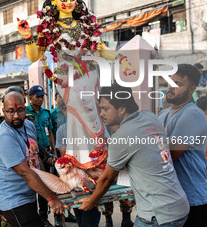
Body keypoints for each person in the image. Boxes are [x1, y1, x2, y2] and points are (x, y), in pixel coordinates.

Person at [17, 0, 135, 172]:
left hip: (89, 72)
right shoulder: (49, 28)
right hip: (67, 76)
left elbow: (100, 48)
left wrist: (121, 59)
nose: (69, 3)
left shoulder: (84, 26)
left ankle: (97, 152)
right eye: (63, 0)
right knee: (79, 104)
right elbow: (34, 56)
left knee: (92, 105)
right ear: (53, 4)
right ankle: (86, 154)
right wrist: (28, 36)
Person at [76, 83, 190, 227]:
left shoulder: (121, 137)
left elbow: (107, 179)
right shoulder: (150, 117)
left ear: (122, 108)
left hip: (158, 214)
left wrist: (91, 202)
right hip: (178, 205)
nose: (101, 114)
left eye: (105, 108)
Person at [0, 91, 69, 227]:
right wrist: (51, 198)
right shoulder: (5, 137)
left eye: (20, 110)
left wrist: (50, 184)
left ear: (25, 107)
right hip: (12, 198)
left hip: (28, 194)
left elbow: (36, 158)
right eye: (10, 111)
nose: (16, 116)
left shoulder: (29, 125)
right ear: (3, 111)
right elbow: (25, 172)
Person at [158, 64, 207, 227]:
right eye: (170, 82)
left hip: (192, 199)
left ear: (191, 89)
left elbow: (170, 155)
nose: (171, 87)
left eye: (178, 84)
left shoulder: (192, 114)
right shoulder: (164, 114)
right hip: (171, 198)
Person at [25, 85, 56, 227]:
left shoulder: (46, 113)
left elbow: (50, 133)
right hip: (33, 154)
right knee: (36, 185)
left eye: (42, 96)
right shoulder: (25, 113)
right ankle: (37, 217)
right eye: (37, 96)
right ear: (30, 97)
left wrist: (54, 152)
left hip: (47, 153)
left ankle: (45, 216)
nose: (40, 99)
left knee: (49, 184)